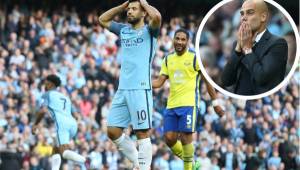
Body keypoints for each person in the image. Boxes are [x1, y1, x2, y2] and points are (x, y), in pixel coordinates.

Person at [98, 0, 161, 169]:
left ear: (143, 13)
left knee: (142, 132)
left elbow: (157, 16)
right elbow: (102, 20)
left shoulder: (150, 31)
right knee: (112, 131)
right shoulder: (123, 30)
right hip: (123, 88)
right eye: (129, 9)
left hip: (140, 89)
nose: (130, 12)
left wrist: (144, 3)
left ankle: (144, 167)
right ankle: (136, 161)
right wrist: (122, 6)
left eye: (134, 9)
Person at [152, 28, 225, 170]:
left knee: (186, 139)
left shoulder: (195, 58)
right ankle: (192, 163)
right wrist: (144, 83)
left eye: (183, 39)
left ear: (188, 41)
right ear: (173, 40)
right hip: (171, 105)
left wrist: (215, 103)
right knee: (169, 139)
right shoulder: (168, 59)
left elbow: (207, 81)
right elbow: (160, 82)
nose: (179, 41)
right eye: (177, 38)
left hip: (189, 104)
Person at [221, 0, 288, 95]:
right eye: (242, 14)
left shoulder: (278, 44)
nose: (244, 18)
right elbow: (226, 81)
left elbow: (261, 77)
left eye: (250, 12)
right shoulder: (238, 43)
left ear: (263, 17)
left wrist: (248, 49)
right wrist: (237, 50)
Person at [31, 74, 87, 170]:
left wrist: (35, 124)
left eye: (46, 84)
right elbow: (76, 114)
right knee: (55, 149)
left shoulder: (47, 94)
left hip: (62, 124)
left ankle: (82, 160)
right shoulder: (65, 97)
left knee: (64, 151)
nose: (44, 86)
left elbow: (43, 111)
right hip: (73, 125)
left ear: (51, 84)